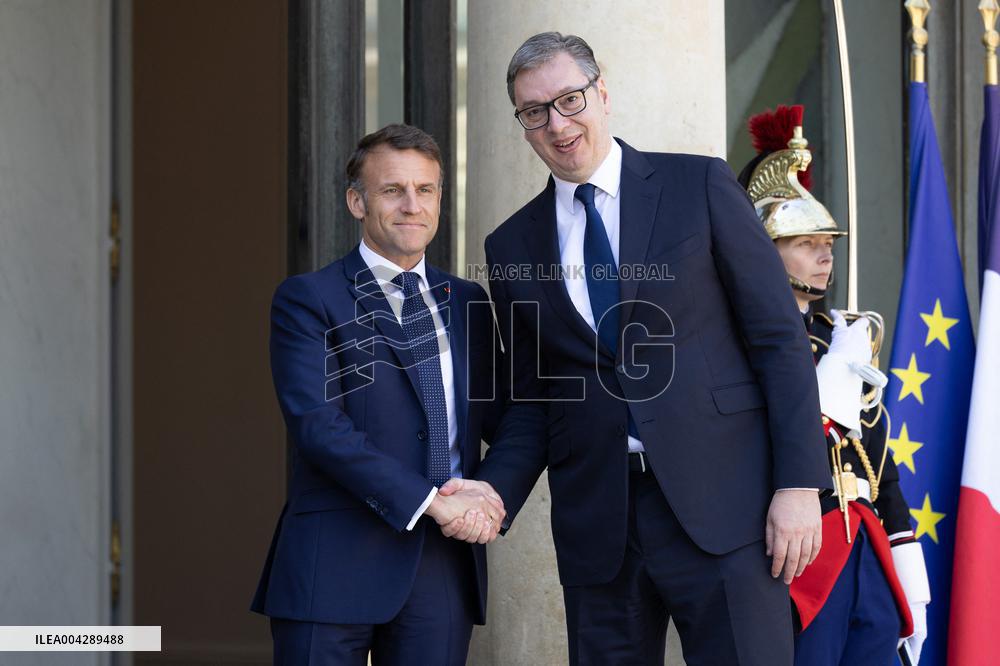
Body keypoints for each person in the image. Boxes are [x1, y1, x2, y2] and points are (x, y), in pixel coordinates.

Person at [465, 32, 831, 665]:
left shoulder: (701, 186)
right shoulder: (512, 246)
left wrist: (799, 484)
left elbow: (779, 340)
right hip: (601, 529)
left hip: (729, 513)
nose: (558, 123)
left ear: (602, 93)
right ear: (523, 125)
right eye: (535, 112)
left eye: (570, 99)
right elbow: (536, 398)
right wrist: (493, 493)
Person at [251, 124, 506, 665]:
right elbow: (320, 428)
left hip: (441, 570)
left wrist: (488, 499)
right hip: (333, 564)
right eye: (393, 190)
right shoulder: (308, 300)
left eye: (426, 190)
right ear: (356, 202)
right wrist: (434, 503)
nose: (412, 205)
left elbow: (505, 422)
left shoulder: (468, 304)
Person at [738, 104, 930, 665]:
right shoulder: (739, 342)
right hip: (800, 555)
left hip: (865, 544)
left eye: (828, 241)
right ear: (763, 250)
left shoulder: (843, 337)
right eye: (805, 242)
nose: (824, 254)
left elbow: (877, 461)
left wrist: (901, 546)